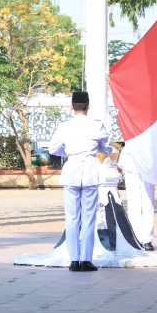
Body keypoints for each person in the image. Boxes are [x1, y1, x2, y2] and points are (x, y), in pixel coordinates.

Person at [48, 91, 113, 272]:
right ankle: (86, 259)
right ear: (88, 107)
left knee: (72, 217)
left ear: (71, 107)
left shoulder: (64, 126)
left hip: (72, 169)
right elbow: (107, 149)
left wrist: (68, 153)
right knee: (89, 217)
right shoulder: (97, 126)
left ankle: (74, 260)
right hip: (91, 170)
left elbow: (53, 148)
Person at [118, 145, 156, 251]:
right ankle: (138, 238)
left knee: (148, 204)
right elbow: (122, 164)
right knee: (135, 205)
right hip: (133, 170)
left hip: (146, 171)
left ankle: (146, 239)